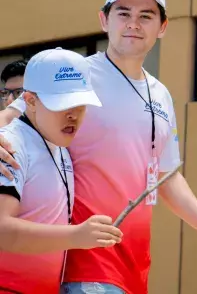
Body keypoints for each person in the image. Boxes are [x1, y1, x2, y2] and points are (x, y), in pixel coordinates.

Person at [0, 0, 197, 294]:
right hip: (83, 261)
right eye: (123, 13)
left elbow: (167, 177)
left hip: (134, 265)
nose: (133, 23)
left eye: (146, 16)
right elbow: (13, 118)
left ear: (163, 26)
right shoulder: (76, 78)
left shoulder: (161, 94)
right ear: (104, 20)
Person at [0, 48, 123, 294]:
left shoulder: (59, 145)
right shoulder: (10, 146)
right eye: (63, 104)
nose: (73, 115)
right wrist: (76, 235)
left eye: (80, 104)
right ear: (31, 100)